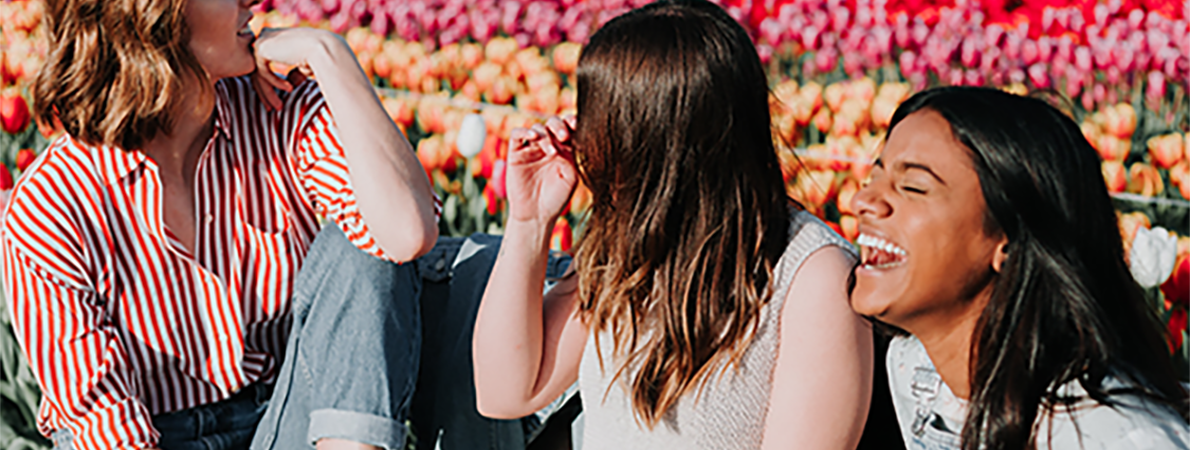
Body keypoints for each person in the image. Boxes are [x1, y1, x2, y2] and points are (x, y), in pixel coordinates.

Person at [5, 0, 439, 448]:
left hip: (285, 418)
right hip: (155, 435)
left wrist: (331, 55)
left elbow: (405, 233)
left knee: (361, 246)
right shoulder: (52, 205)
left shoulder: (278, 108)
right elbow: (108, 431)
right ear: (148, 17)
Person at [471, 1, 874, 448]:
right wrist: (530, 221)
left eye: (601, 119)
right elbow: (504, 393)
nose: (580, 135)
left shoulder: (811, 277)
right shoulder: (627, 247)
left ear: (654, 140)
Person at [849, 86, 1190, 449]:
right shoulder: (916, 370)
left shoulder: (1110, 436)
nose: (862, 201)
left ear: (1009, 243)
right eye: (875, 177)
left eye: (913, 187)